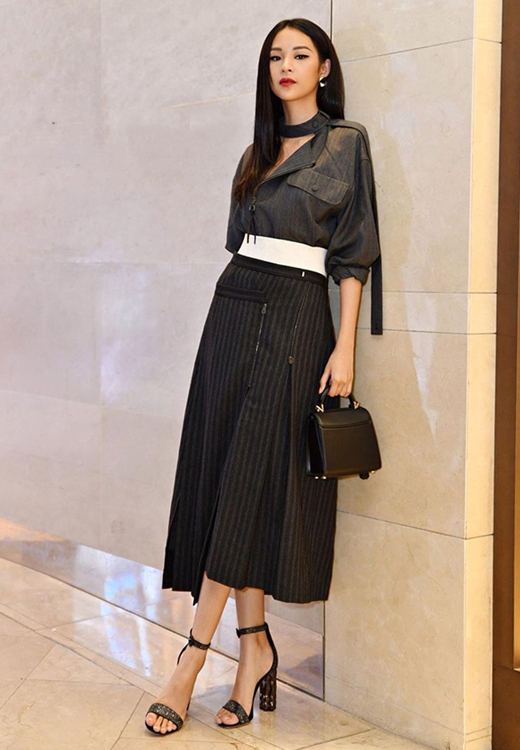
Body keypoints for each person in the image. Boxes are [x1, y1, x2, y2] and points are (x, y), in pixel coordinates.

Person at [145, 16, 382, 736]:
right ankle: (254, 647)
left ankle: (191, 658)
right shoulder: (256, 150)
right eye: (276, 56)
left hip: (297, 316)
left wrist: (345, 347)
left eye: (300, 54)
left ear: (324, 69)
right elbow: (238, 242)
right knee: (225, 473)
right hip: (233, 309)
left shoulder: (346, 143)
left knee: (250, 474)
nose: (286, 65)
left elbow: (353, 256)